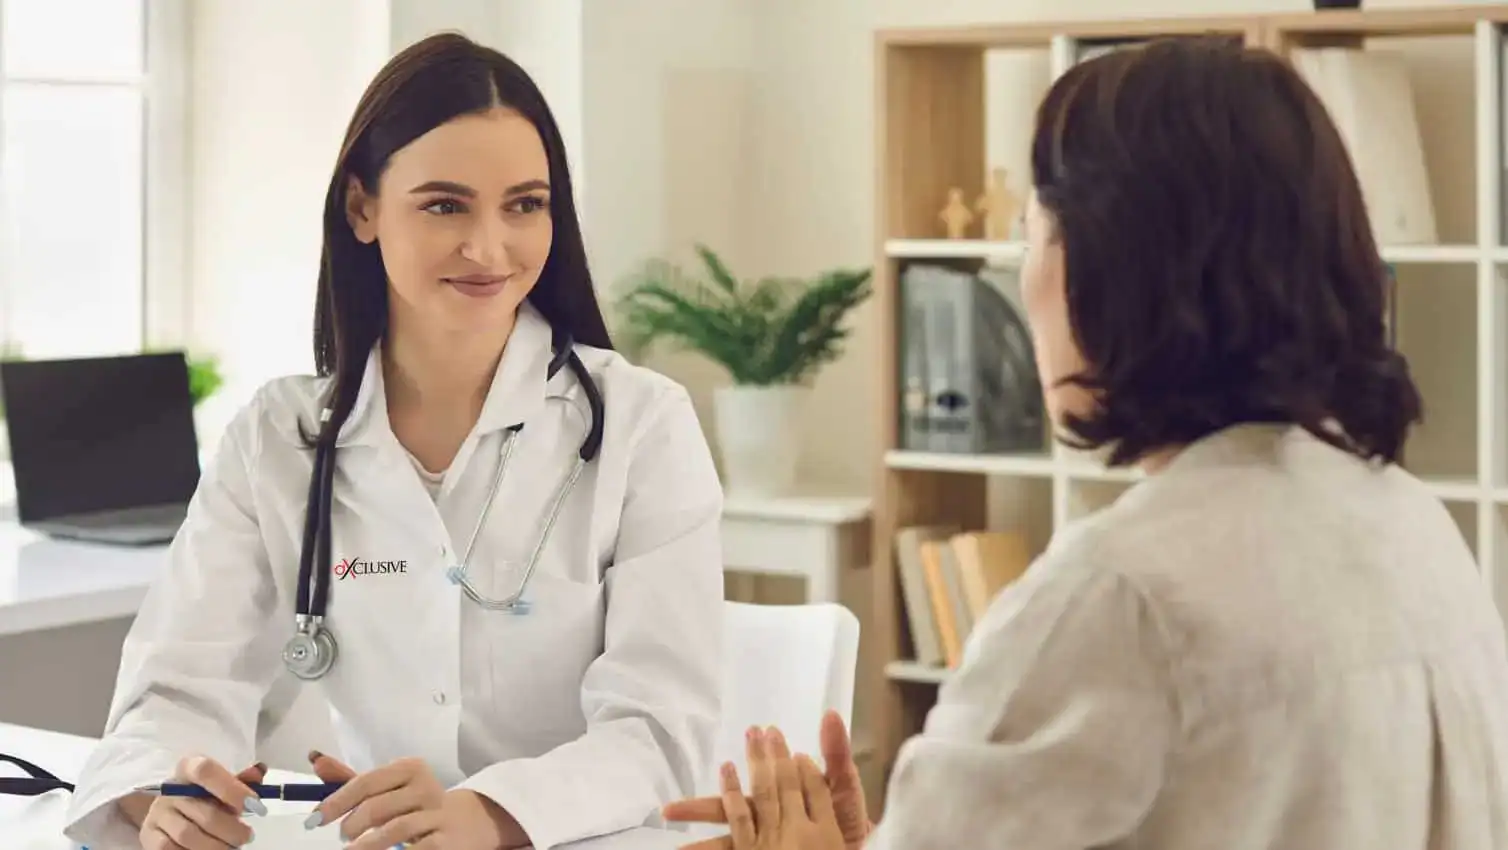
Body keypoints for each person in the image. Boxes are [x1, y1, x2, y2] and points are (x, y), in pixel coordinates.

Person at [664, 36, 1508, 849]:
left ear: (1104, 270)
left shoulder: (1117, 597)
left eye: (1029, 238)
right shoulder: (1414, 526)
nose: (1022, 277)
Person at [59, 31, 726, 850]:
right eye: (446, 205)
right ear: (362, 208)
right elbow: (178, 685)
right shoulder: (280, 438)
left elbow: (658, 733)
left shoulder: (641, 424)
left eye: (525, 204)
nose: (490, 247)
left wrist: (485, 813)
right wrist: (161, 795)